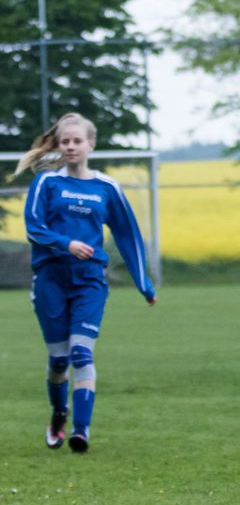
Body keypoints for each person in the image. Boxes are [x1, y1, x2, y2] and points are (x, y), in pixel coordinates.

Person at [16, 113, 157, 453]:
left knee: (81, 353)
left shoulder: (106, 188)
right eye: (65, 141)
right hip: (50, 279)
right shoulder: (46, 184)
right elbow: (33, 227)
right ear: (59, 145)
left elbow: (128, 236)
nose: (70, 146)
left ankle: (82, 431)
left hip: (89, 281)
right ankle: (59, 412)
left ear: (90, 144)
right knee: (59, 361)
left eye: (77, 141)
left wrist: (144, 283)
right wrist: (66, 244)